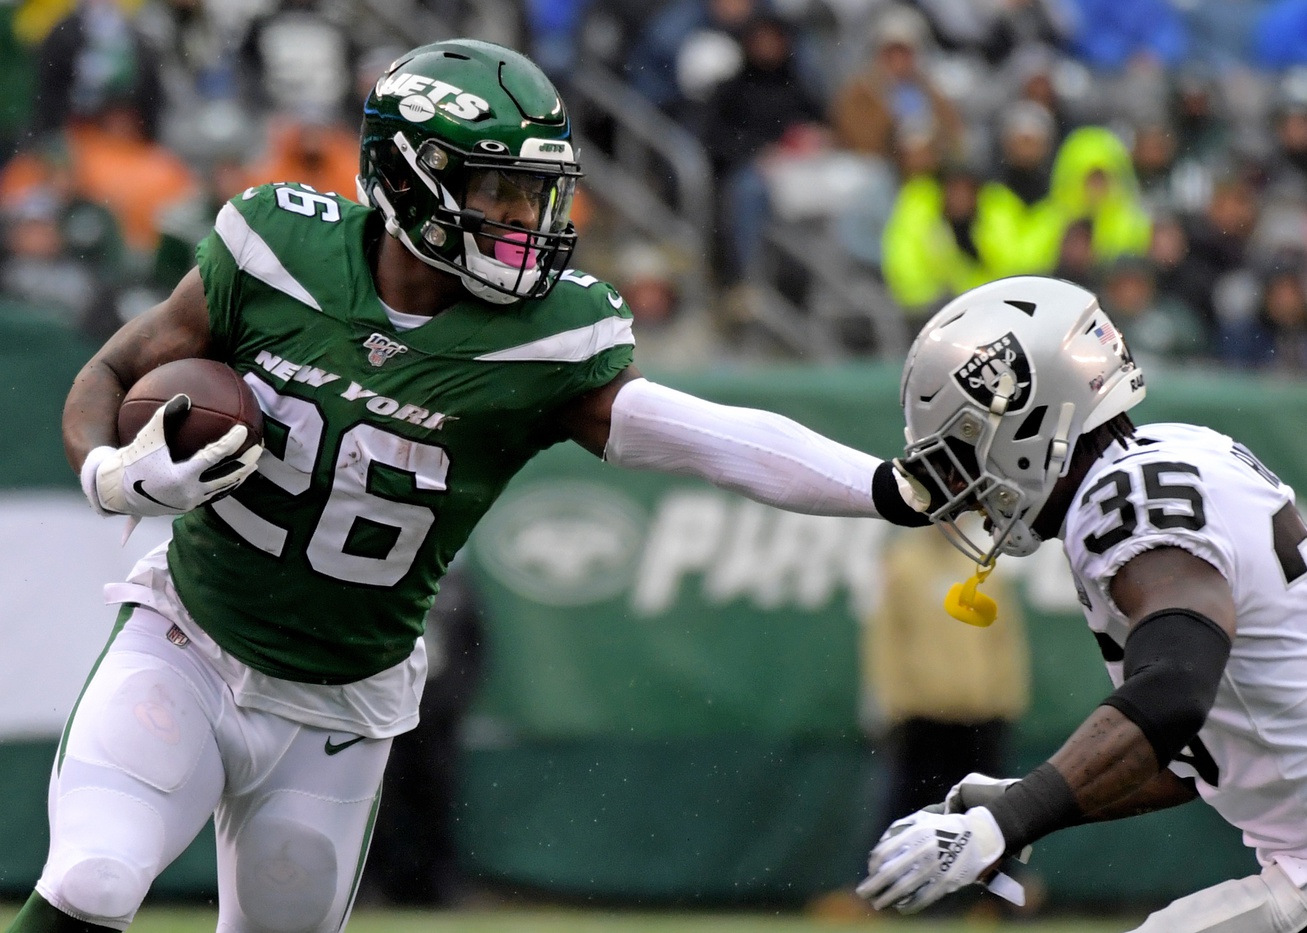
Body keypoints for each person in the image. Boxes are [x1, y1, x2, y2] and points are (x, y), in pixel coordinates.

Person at [9, 39, 932, 933]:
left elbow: (710, 439)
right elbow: (113, 370)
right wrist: (111, 474)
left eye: (536, 193)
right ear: (407, 176)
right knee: (93, 877)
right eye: (499, 190)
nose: (525, 219)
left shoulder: (549, 338)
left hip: (342, 703)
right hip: (189, 642)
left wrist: (885, 484)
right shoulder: (277, 247)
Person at [857, 274, 1307, 932]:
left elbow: (1173, 688)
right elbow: (1197, 756)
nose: (964, 488)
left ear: (1028, 422)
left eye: (965, 452)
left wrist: (1000, 825)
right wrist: (1021, 805)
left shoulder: (1125, 499)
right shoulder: (1172, 452)